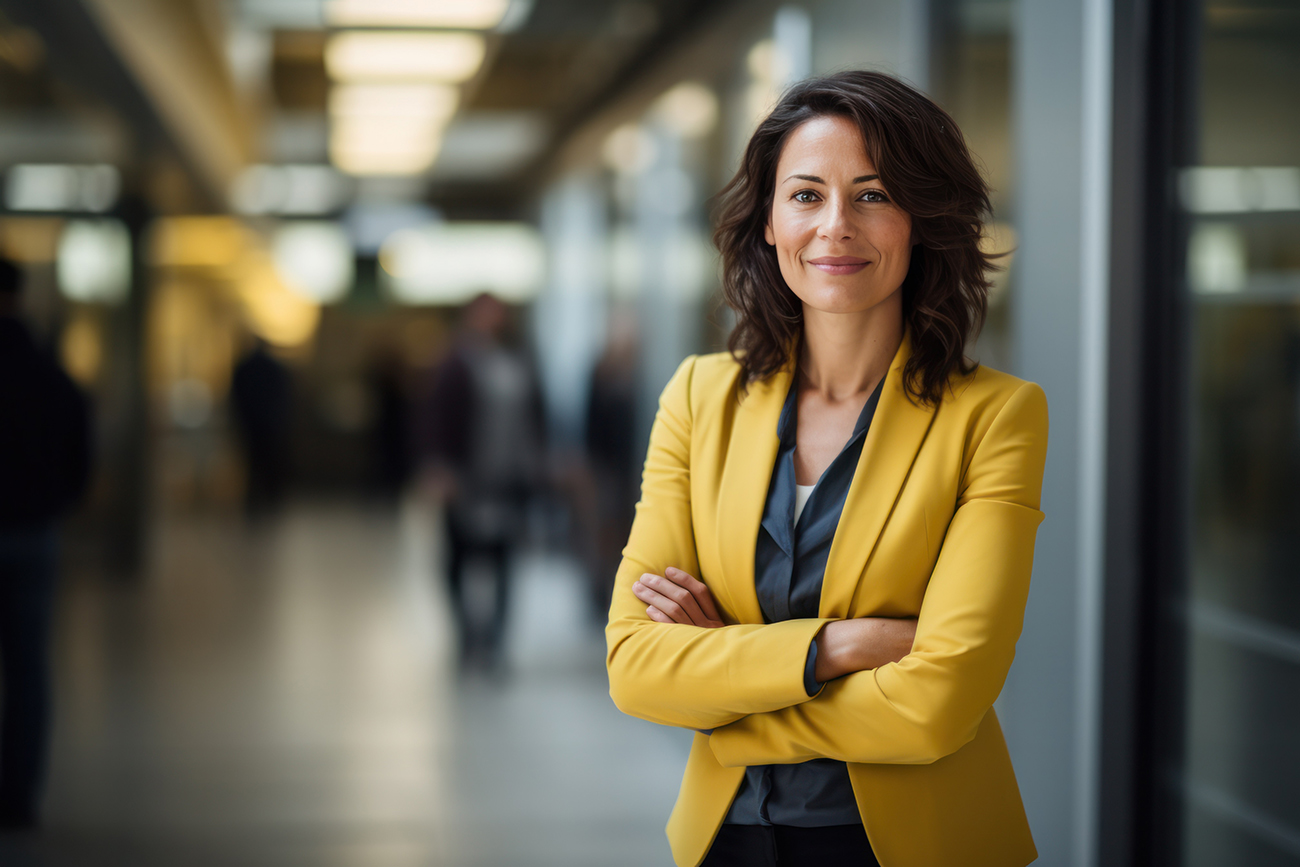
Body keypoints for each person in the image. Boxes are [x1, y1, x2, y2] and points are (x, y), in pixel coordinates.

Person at [605, 71, 1048, 867]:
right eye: (806, 196)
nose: (836, 226)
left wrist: (726, 694)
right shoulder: (700, 398)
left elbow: (936, 707)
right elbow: (636, 667)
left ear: (922, 222)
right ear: (769, 223)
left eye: (874, 195)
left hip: (914, 847)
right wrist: (836, 648)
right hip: (726, 840)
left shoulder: (995, 416)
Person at [0, 256, 93, 830]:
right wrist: (57, 502)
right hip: (36, 532)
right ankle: (19, 797)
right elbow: (80, 455)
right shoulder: (49, 371)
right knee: (28, 669)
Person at [419, 294, 544, 667]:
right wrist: (438, 468)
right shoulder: (455, 362)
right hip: (464, 481)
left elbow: (536, 416)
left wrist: (539, 462)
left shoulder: (519, 360)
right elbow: (434, 416)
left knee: (505, 562)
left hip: (508, 480)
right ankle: (465, 637)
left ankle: (495, 642)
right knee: (457, 561)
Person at [230, 339, 292, 516]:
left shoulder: (245, 367)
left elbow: (237, 397)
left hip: (251, 424)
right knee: (269, 465)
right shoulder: (274, 368)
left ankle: (255, 501)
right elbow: (283, 397)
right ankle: (270, 500)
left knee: (254, 465)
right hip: (269, 425)